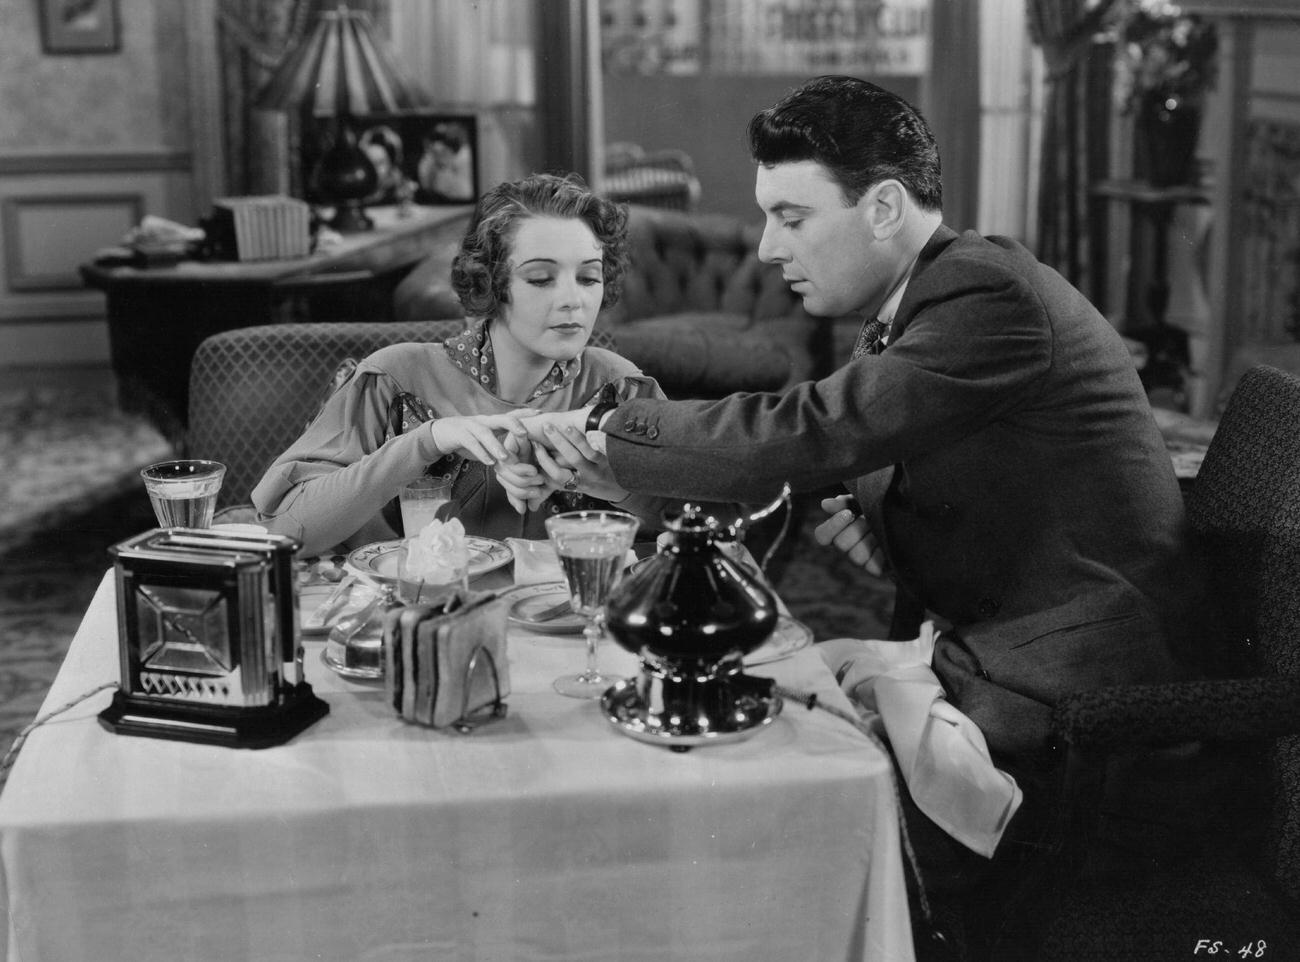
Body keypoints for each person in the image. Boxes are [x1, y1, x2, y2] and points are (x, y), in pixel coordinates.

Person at [508, 75, 1217, 949]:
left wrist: (603, 427)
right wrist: (625, 476)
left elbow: (816, 429)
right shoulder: (913, 303)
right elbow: (828, 460)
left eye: (793, 216)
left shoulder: (985, 295)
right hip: (1009, 644)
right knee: (755, 722)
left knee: (763, 762)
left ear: (883, 207)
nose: (768, 248)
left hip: (1080, 680)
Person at [250, 173, 675, 555]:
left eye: (588, 277)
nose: (573, 300)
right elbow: (284, 532)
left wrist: (607, 484)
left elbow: (697, 522)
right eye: (541, 278)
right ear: (492, 282)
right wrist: (427, 440)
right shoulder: (393, 380)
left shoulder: (620, 388)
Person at [417, 121, 475, 202]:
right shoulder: (427, 160)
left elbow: (465, 192)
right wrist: (437, 163)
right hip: (439, 198)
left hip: (461, 197)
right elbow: (426, 186)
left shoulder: (465, 154)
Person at [358, 125, 412, 205]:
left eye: (380, 163)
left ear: (391, 163)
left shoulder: (401, 189)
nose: (375, 169)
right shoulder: (360, 189)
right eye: (371, 163)